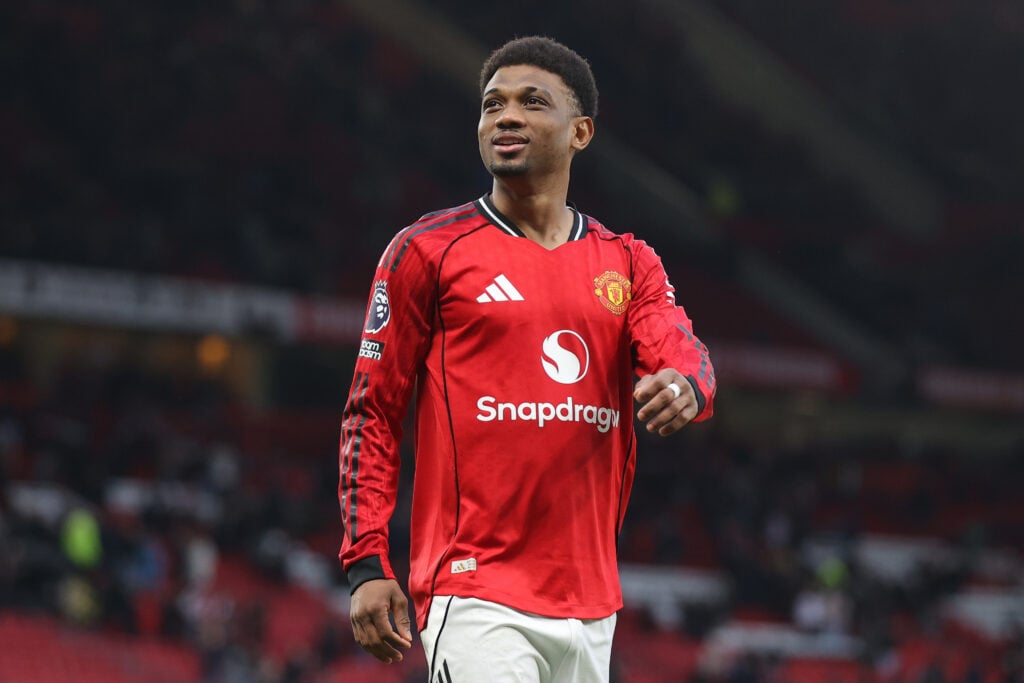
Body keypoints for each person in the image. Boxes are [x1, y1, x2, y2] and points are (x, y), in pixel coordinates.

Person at [338, 36, 716, 682]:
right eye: (492, 105)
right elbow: (371, 412)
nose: (505, 117)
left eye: (531, 102)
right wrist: (367, 563)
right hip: (474, 587)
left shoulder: (627, 261)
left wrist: (684, 387)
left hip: (591, 601)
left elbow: (685, 354)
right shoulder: (427, 251)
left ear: (581, 132)